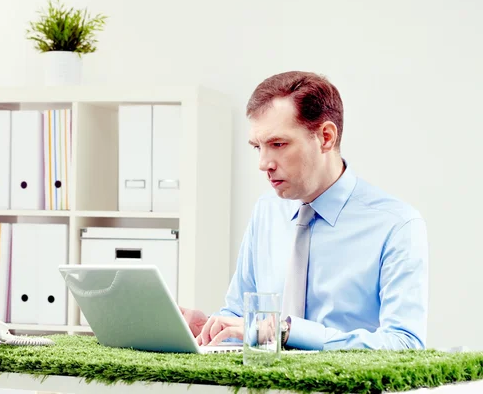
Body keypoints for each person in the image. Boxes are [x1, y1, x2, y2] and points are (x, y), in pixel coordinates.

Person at [180, 71, 428, 351]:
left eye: (278, 144)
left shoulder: (396, 225)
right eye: (257, 147)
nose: (263, 163)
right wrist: (214, 326)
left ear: (326, 137)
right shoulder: (267, 211)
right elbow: (246, 320)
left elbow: (405, 343)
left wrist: (287, 332)